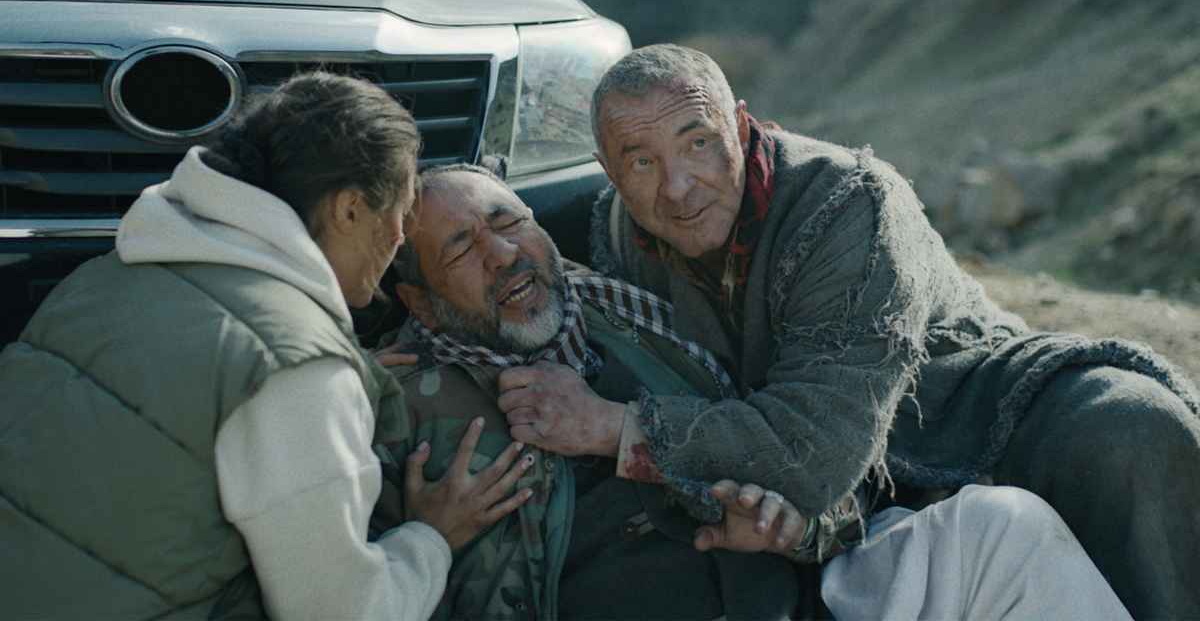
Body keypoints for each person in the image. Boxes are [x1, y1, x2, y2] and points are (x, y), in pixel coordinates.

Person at [557, 43, 1200, 621]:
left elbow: (815, 449)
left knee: (1133, 425)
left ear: (741, 126)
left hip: (960, 402)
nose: (677, 187)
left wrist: (617, 427)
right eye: (642, 161)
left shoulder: (849, 203)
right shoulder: (619, 236)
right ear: (609, 172)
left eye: (698, 143)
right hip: (809, 463)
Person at [377, 163, 1133, 621]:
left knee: (1002, 530)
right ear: (419, 303)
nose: (503, 254)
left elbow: (811, 462)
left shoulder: (635, 315)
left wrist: (792, 527)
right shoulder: (404, 404)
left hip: (811, 596)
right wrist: (430, 542)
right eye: (461, 248)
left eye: (509, 221)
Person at [0, 73, 530, 621]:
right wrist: (430, 538)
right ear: (350, 209)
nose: (399, 238)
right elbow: (342, 614)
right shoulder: (295, 373)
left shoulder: (95, 283)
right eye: (401, 212)